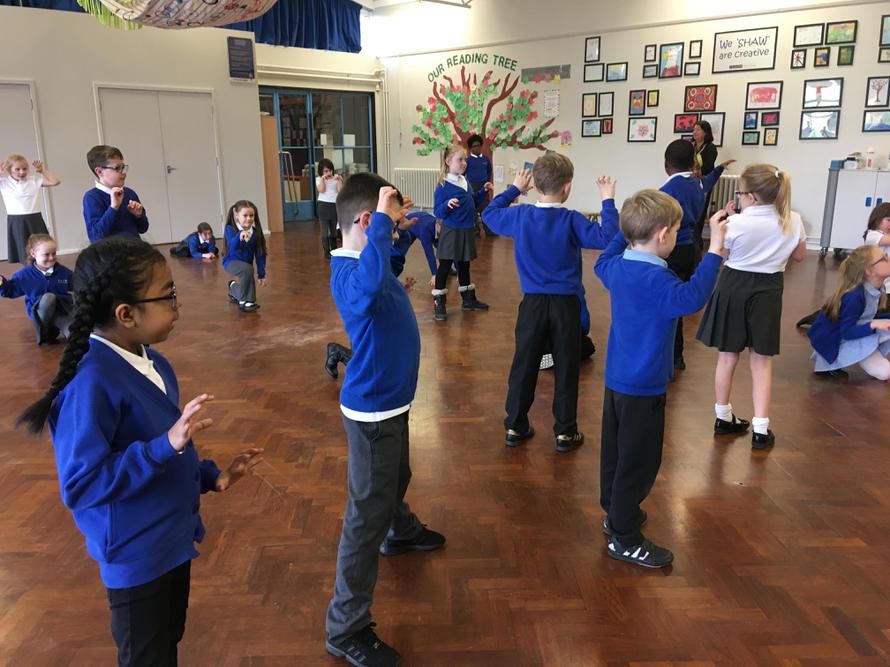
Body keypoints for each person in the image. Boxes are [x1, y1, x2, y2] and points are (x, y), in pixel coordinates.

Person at [16, 236, 263, 666]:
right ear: (126, 314)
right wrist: (163, 447)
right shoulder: (89, 383)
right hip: (136, 556)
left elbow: (165, 446)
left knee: (168, 642)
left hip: (171, 541)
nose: (177, 306)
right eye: (169, 296)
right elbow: (82, 484)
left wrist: (212, 476)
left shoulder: (153, 361)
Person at [325, 174, 444, 667]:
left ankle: (402, 529)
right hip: (373, 411)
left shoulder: (368, 261)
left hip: (392, 402)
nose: (392, 230)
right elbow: (368, 290)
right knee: (365, 515)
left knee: (398, 475)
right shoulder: (347, 273)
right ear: (366, 220)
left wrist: (400, 230)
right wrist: (383, 225)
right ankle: (345, 626)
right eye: (385, 223)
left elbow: (385, 269)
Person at [594, 190, 727, 568]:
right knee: (638, 462)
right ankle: (625, 538)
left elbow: (602, 258)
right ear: (664, 235)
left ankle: (615, 513)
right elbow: (693, 297)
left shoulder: (616, 268)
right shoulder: (658, 280)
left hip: (617, 381)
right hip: (643, 386)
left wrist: (617, 221)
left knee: (616, 453)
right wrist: (715, 250)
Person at [482, 154, 618, 452]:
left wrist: (514, 189)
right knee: (567, 368)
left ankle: (515, 426)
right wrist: (607, 200)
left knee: (524, 366)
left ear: (536, 183)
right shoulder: (572, 220)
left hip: (532, 306)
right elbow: (609, 237)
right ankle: (565, 433)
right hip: (566, 307)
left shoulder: (521, 215)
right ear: (567, 187)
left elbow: (489, 214)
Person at [696, 165, 806, 450]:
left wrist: (723, 225)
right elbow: (799, 256)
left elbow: (723, 255)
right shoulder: (792, 219)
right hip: (769, 288)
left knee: (727, 356)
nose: (739, 197)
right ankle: (760, 428)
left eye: (740, 193)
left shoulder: (735, 223)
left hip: (734, 284)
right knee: (761, 360)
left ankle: (723, 417)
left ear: (752, 197)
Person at [659, 139, 734, 370]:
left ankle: (670, 357)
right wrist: (720, 167)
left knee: (669, 305)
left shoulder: (665, 192)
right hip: (691, 249)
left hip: (671, 251)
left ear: (666, 165)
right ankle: (677, 356)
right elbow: (709, 180)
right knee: (679, 302)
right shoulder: (697, 185)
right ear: (693, 163)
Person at [797, 202, 890, 328]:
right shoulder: (873, 235)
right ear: (877, 219)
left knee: (870, 311)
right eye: (889, 220)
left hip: (882, 285)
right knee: (848, 310)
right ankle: (821, 317)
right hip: (869, 283)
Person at [808, 245, 890, 380]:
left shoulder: (877, 288)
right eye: (884, 258)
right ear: (870, 271)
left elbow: (869, 315)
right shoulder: (854, 296)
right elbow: (846, 332)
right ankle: (836, 363)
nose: (888, 258)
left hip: (858, 332)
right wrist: (873, 325)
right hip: (839, 341)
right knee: (885, 373)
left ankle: (868, 352)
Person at [431, 144, 492, 320]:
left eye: (465, 160)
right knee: (445, 266)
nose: (464, 163)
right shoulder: (443, 186)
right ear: (448, 161)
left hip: (467, 230)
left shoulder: (464, 181)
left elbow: (472, 201)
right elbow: (438, 211)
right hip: (451, 231)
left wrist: (484, 191)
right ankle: (439, 303)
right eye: (460, 160)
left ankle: (468, 300)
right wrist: (446, 204)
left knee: (464, 264)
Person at [0, 233, 73, 344]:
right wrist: (2, 284)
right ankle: (44, 331)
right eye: (46, 254)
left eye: (54, 253)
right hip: (40, 314)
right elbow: (10, 291)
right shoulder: (24, 275)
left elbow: (79, 284)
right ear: (33, 254)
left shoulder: (63, 272)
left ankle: (57, 329)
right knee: (49, 298)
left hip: (61, 312)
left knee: (75, 334)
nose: (51, 258)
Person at [0, 154, 60, 263]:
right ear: (9, 169)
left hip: (35, 219)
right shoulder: (4, 183)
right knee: (23, 252)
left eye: (24, 168)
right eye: (17, 169)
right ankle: (29, 270)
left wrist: (42, 171)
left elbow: (55, 181)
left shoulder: (33, 180)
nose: (22, 172)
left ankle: (45, 267)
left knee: (42, 247)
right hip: (16, 221)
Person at [82, 145, 149, 243]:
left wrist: (139, 215)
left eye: (123, 167)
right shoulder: (91, 197)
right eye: (117, 168)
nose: (123, 172)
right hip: (110, 251)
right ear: (99, 171)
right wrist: (113, 208)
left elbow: (143, 228)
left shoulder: (129, 193)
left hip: (134, 247)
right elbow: (96, 237)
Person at [223, 200, 267, 313]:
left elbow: (260, 254)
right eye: (245, 215)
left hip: (246, 266)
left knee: (247, 270)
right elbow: (232, 247)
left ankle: (234, 288)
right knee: (247, 269)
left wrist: (261, 274)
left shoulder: (256, 233)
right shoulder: (230, 229)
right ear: (236, 215)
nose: (249, 218)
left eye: (251, 215)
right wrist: (239, 235)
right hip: (230, 262)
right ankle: (246, 301)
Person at [691, 121, 719, 249]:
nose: (694, 132)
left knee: (700, 212)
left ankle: (697, 243)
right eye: (694, 129)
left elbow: (708, 166)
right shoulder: (691, 146)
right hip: (691, 182)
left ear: (705, 132)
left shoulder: (710, 148)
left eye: (698, 130)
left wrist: (697, 173)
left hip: (704, 182)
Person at [465, 134, 495, 236]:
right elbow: (462, 174)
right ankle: (475, 231)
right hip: (472, 188)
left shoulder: (486, 159)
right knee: (473, 210)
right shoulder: (468, 160)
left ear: (481, 146)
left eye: (478, 145)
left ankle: (489, 231)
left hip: (484, 188)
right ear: (470, 148)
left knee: (485, 209)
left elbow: (489, 171)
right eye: (474, 146)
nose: (477, 148)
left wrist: (487, 182)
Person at [316, 158, 342, 260]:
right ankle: (326, 252)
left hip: (334, 205)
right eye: (326, 171)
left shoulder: (336, 178)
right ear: (321, 171)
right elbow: (321, 190)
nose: (329, 173)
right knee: (324, 230)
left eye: (330, 170)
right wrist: (323, 180)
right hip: (323, 205)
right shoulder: (319, 179)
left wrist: (339, 180)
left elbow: (340, 190)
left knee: (334, 230)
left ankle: (334, 250)